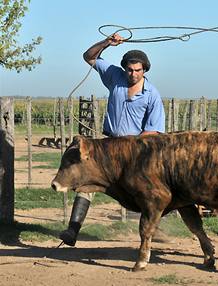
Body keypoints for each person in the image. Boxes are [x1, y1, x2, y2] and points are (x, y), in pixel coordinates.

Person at [59, 33, 166, 246]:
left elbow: (154, 131)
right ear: (124, 68)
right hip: (109, 145)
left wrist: (130, 145)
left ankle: (156, 229)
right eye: (130, 69)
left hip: (136, 150)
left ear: (144, 70)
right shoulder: (113, 76)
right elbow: (89, 57)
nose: (133, 74)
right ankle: (72, 230)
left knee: (145, 190)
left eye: (138, 70)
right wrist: (107, 43)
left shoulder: (152, 94)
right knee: (87, 180)